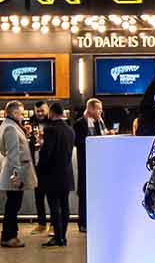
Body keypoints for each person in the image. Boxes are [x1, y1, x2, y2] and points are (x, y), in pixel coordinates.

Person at [37, 102, 76, 248]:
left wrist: (40, 166)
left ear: (51, 113)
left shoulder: (51, 130)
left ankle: (58, 237)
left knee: (54, 207)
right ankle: (63, 237)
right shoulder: (70, 130)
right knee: (64, 206)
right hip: (66, 173)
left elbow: (47, 153)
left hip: (52, 174)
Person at [0, 102, 35, 248]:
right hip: (15, 173)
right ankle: (9, 236)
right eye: (21, 113)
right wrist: (17, 175)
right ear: (14, 113)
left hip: (14, 171)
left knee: (13, 204)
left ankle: (11, 234)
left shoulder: (9, 125)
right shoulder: (11, 128)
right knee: (13, 205)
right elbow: (13, 154)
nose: (23, 116)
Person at [74, 98, 106, 232]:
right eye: (98, 109)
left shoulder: (100, 123)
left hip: (98, 165)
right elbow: (80, 143)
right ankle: (83, 223)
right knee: (84, 194)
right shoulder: (79, 124)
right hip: (85, 165)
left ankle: (95, 221)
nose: (100, 112)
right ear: (91, 109)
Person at [30, 102, 51, 235]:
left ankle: (54, 225)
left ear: (47, 110)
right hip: (36, 165)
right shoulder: (31, 124)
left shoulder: (52, 124)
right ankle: (41, 224)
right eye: (37, 111)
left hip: (49, 166)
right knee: (38, 196)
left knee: (52, 197)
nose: (40, 113)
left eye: (42, 111)